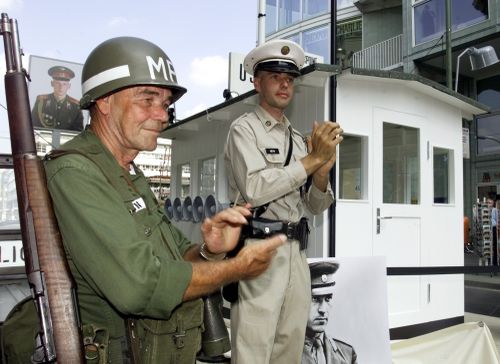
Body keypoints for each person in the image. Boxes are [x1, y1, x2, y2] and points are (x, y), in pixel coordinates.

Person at [42, 37, 285, 363]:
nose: (162, 115)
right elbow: (139, 287)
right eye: (147, 100)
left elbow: (178, 254)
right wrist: (234, 268)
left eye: (166, 103)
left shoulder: (126, 171)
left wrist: (209, 249)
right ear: (104, 102)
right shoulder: (75, 171)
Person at [224, 39, 343, 363]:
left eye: (289, 77)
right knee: (254, 348)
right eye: (275, 75)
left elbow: (315, 206)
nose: (284, 82)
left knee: (290, 347)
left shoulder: (296, 138)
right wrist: (310, 160)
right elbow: (254, 187)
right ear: (257, 82)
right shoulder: (244, 130)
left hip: (296, 252)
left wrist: (321, 171)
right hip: (259, 251)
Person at [302, 261, 358, 364]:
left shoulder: (347, 353)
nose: (323, 309)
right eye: (315, 299)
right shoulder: (285, 352)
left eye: (328, 299)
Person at [31, 65, 84, 131]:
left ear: (69, 86)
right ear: (52, 83)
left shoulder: (76, 106)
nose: (61, 87)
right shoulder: (41, 101)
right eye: (57, 83)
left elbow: (78, 132)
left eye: (64, 84)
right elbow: (33, 125)